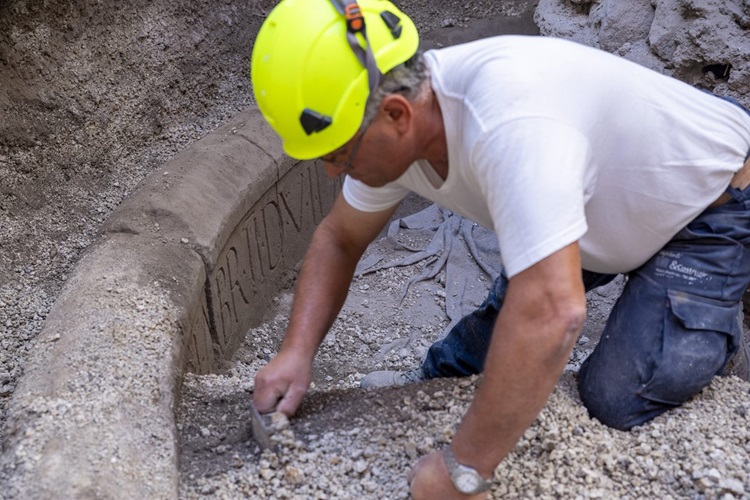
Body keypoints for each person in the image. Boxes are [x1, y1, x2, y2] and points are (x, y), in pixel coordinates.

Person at [249, 0, 750, 497]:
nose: (333, 171)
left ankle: (712, 333)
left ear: (397, 114)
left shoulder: (510, 124)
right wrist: (296, 353)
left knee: (615, 398)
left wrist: (462, 470)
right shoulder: (399, 116)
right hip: (605, 198)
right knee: (492, 339)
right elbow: (339, 238)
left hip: (709, 196)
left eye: (337, 154)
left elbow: (555, 313)